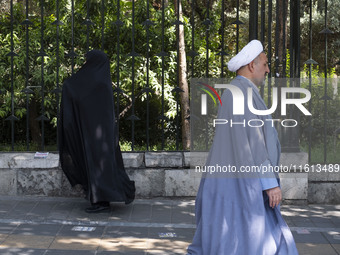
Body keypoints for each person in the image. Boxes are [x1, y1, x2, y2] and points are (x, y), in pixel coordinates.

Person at [187, 40, 298, 254]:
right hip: (244, 184)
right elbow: (253, 141)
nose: (267, 69)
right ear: (251, 66)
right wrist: (269, 184)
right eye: (264, 64)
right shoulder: (241, 92)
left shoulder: (239, 90)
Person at [58, 50, 135, 213]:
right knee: (102, 164)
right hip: (103, 134)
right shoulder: (102, 81)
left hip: (92, 132)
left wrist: (67, 86)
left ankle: (101, 201)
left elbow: (73, 88)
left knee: (95, 163)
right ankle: (101, 199)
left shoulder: (90, 80)